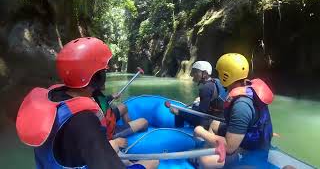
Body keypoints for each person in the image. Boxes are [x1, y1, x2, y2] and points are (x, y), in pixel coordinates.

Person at [16, 37, 158, 169]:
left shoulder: (54, 96)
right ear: (97, 78)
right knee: (153, 162)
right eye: (103, 72)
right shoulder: (84, 120)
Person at [194, 53, 274, 168]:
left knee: (205, 160)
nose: (218, 77)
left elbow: (229, 147)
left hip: (251, 152)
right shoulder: (247, 87)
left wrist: (200, 131)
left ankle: (229, 161)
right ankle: (218, 153)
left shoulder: (241, 106)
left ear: (225, 76)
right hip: (249, 138)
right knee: (214, 124)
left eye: (220, 73)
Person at [170, 61, 228, 128]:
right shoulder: (216, 81)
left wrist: (183, 111)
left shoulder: (205, 88)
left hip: (212, 119)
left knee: (177, 110)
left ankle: (179, 131)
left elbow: (201, 113)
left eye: (195, 72)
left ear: (205, 73)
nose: (192, 75)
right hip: (222, 116)